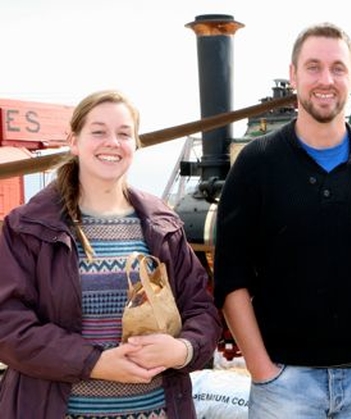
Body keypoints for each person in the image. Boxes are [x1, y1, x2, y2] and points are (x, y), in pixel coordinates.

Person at [213, 22, 351, 418]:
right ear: (293, 75)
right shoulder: (256, 163)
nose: (326, 80)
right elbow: (231, 277)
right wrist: (263, 372)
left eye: (338, 68)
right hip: (284, 385)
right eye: (313, 67)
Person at [0, 90, 222, 418]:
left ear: (135, 144)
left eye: (123, 134)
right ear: (74, 141)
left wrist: (182, 349)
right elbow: (9, 324)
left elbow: (202, 310)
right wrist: (95, 362)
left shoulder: (163, 226)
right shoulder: (28, 228)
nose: (112, 142)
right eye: (99, 131)